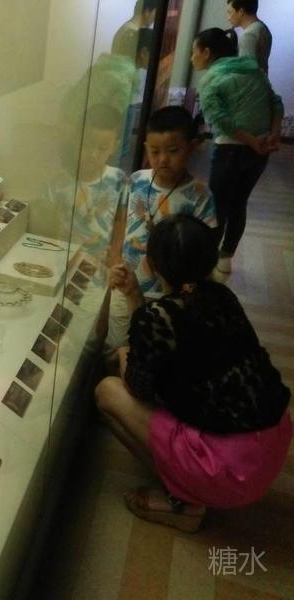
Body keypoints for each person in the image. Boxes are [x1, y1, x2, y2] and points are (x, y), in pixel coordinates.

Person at [97, 214, 291, 532]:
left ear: (151, 265)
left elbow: (137, 385)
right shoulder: (222, 296)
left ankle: (184, 502)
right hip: (272, 445)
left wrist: (123, 352)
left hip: (228, 471)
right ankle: (190, 482)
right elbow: (167, 331)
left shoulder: (157, 316)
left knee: (107, 390)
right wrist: (134, 295)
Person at [105, 106, 215, 354]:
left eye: (173, 151)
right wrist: (115, 261)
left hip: (169, 296)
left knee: (153, 351)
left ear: (191, 147)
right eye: (155, 151)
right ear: (145, 148)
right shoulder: (136, 180)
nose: (163, 159)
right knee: (116, 346)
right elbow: (121, 222)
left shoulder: (200, 194)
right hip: (127, 283)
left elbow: (203, 249)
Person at [192, 27, 283, 274]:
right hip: (259, 152)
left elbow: (220, 119)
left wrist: (250, 140)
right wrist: (273, 134)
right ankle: (226, 257)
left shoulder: (211, 78)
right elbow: (276, 103)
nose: (192, 58)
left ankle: (206, 262)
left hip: (230, 151)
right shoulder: (254, 70)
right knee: (239, 203)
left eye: (194, 51)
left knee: (218, 207)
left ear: (207, 52)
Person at [49, 104, 127, 268]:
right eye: (87, 145)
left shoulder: (119, 180)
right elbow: (51, 228)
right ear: (77, 139)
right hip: (62, 264)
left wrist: (115, 258)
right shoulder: (59, 182)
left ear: (114, 147)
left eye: (102, 148)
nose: (93, 154)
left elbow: (121, 223)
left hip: (100, 268)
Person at [226, 0, 272, 74]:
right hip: (261, 79)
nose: (228, 18)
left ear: (241, 11)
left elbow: (245, 72)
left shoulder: (248, 35)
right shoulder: (262, 27)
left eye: (230, 12)